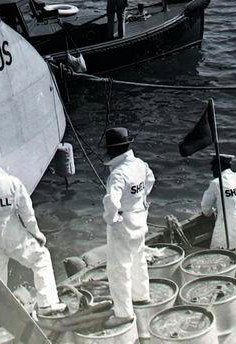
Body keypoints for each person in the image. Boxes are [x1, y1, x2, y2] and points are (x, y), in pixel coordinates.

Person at [0, 147, 65, 316]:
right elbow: (27, 213)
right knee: (41, 258)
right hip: (14, 237)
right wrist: (37, 234)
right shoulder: (12, 182)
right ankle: (47, 305)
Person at [102, 127, 155, 327]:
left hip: (123, 223)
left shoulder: (117, 174)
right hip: (140, 217)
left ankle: (124, 313)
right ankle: (142, 296)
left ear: (112, 150)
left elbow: (112, 202)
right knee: (138, 258)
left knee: (118, 267)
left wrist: (111, 219)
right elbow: (150, 180)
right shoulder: (140, 164)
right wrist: (139, 199)